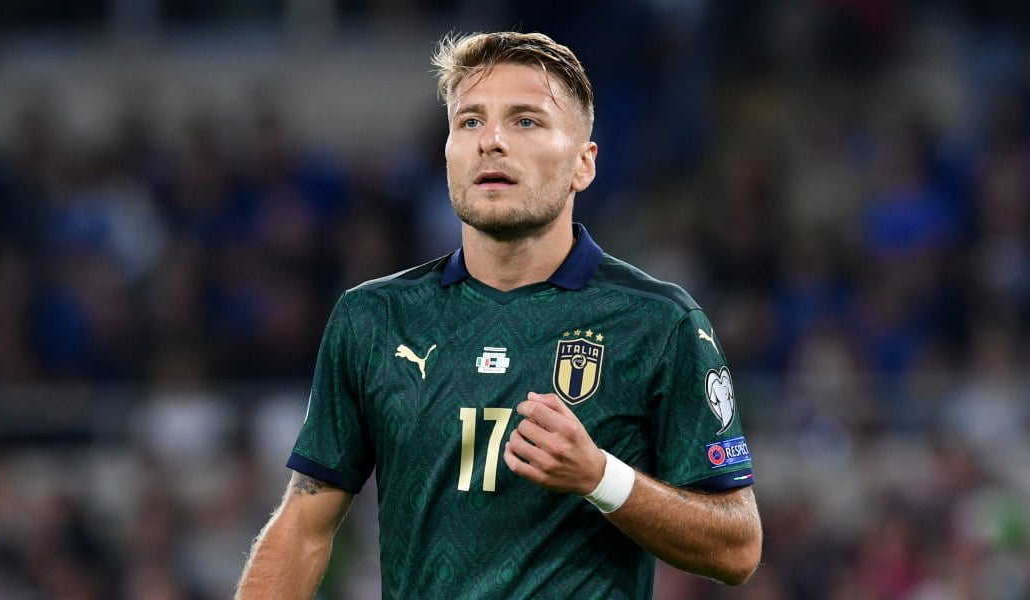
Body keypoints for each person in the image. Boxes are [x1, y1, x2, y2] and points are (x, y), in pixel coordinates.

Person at [235, 31, 761, 598]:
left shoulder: (658, 323)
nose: (491, 141)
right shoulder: (374, 318)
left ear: (583, 164)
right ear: (447, 155)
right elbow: (303, 528)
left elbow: (737, 547)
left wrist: (600, 477)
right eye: (470, 122)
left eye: (525, 121)